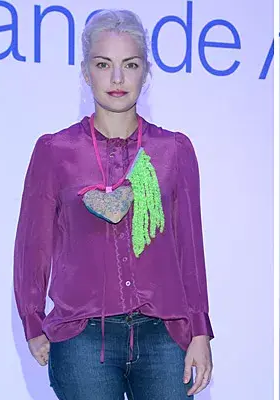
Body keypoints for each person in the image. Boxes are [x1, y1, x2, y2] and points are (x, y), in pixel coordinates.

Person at [14, 9, 213, 399]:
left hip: (165, 335)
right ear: (87, 72)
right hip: (82, 339)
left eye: (130, 64)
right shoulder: (55, 151)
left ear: (146, 72)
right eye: (104, 64)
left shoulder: (174, 150)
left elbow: (190, 247)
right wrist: (33, 320)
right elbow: (32, 246)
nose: (117, 79)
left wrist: (201, 329)